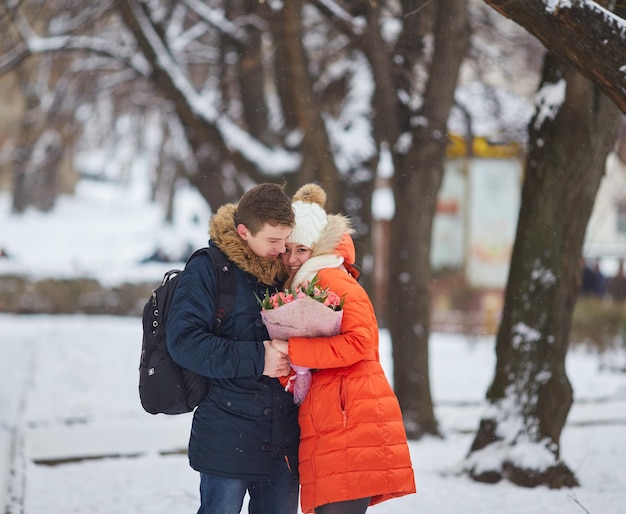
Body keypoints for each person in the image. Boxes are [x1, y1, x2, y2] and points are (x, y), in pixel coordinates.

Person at [272, 183, 416, 514]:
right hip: (335, 417)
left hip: (349, 418)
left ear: (319, 248)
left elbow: (360, 341)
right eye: (287, 249)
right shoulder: (306, 283)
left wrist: (295, 350)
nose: (292, 259)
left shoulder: (331, 279)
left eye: (302, 250)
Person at [165, 183, 300, 514]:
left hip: (283, 437)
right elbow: (184, 342)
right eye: (273, 240)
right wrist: (260, 358)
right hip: (227, 432)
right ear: (243, 231)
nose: (282, 248)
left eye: (286, 239)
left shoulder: (291, 270)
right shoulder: (209, 268)